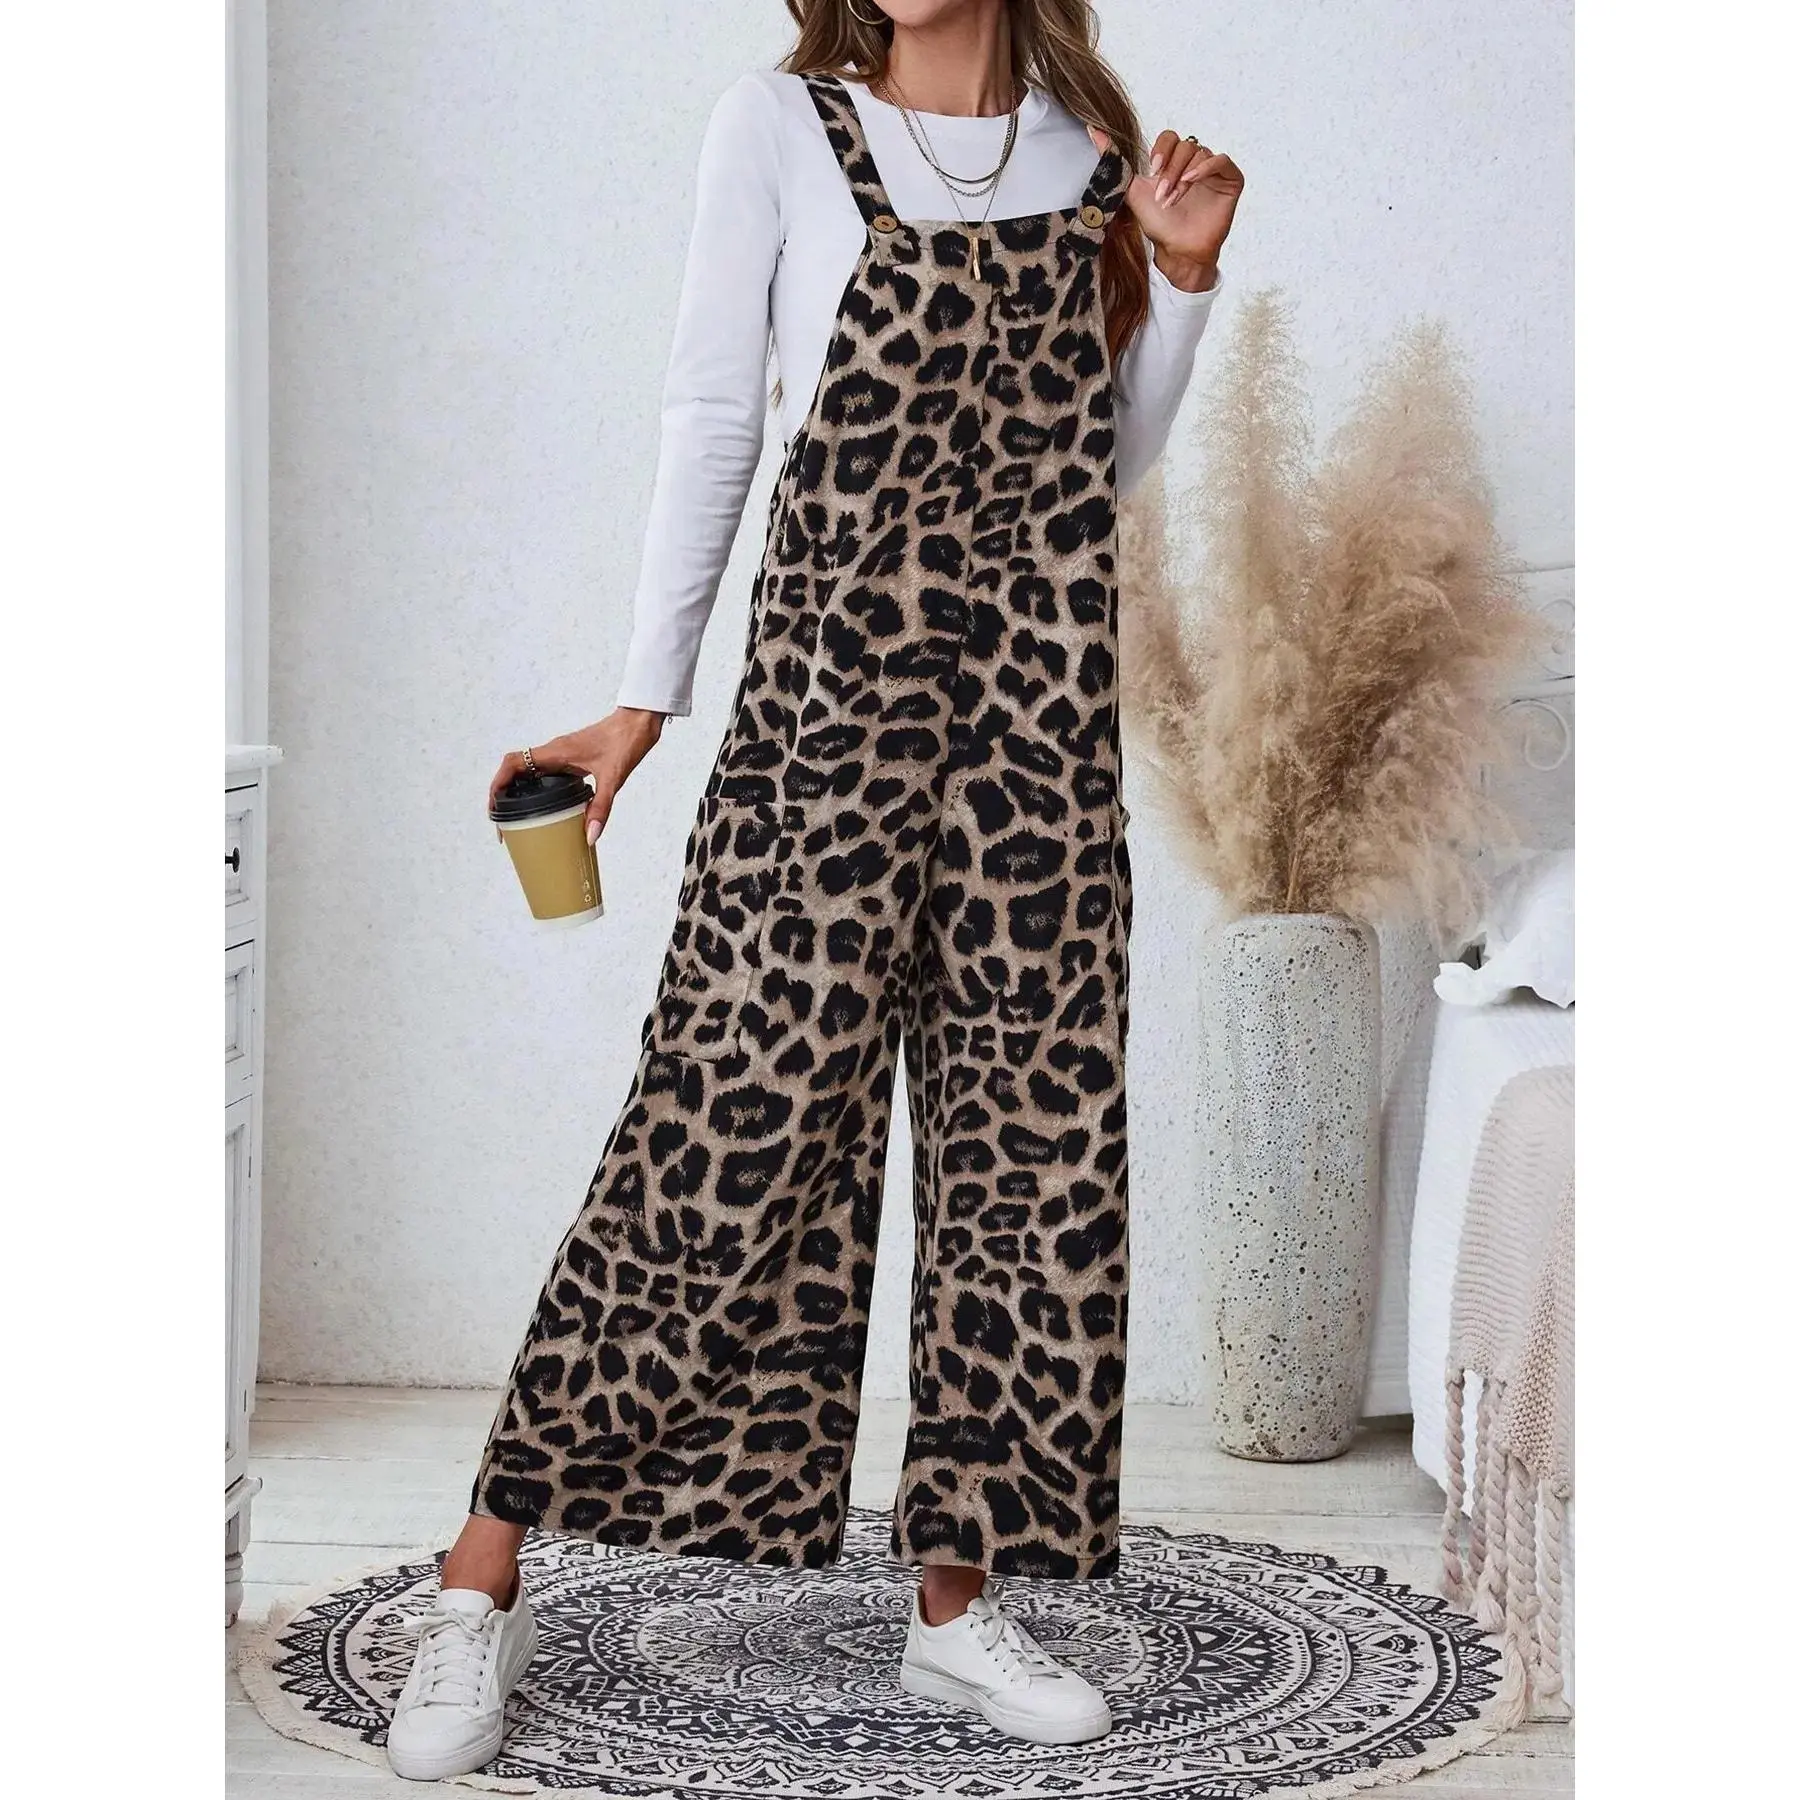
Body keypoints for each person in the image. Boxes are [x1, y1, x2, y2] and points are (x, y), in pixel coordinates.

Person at [385, 0, 1241, 1781]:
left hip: (1033, 735)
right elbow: (717, 415)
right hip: (827, 725)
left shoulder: (1093, 158)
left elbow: (1097, 462)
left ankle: (955, 1608)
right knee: (723, 1121)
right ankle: (478, 1584)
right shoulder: (779, 130)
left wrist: (1179, 279)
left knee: (1030, 1154)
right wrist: (644, 704)